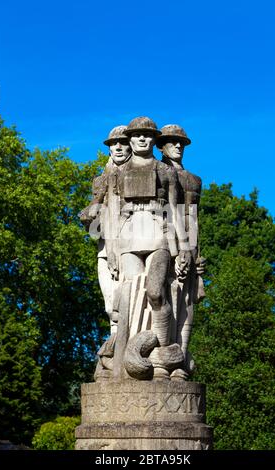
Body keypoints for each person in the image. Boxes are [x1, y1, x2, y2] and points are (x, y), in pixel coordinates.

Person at [113, 117, 191, 378]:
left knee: (156, 293)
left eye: (147, 136)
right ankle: (131, 362)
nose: (142, 139)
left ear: (154, 139)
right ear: (131, 139)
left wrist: (182, 249)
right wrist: (113, 251)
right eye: (137, 136)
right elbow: (113, 214)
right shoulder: (119, 173)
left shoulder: (165, 171)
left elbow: (175, 211)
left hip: (158, 232)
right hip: (129, 234)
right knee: (127, 298)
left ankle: (165, 352)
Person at [157, 124, 205, 379]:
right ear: (162, 146)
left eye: (181, 143)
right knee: (166, 295)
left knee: (187, 299)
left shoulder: (194, 179)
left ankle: (182, 359)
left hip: (190, 240)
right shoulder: (159, 172)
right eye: (172, 142)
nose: (177, 146)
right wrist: (176, 247)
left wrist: (195, 251)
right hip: (164, 238)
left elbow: (193, 217)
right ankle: (166, 358)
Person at [79, 125, 131, 334]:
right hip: (105, 248)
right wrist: (90, 213)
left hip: (130, 247)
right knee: (110, 306)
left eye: (122, 143)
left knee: (127, 304)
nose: (117, 147)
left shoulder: (137, 175)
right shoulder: (101, 179)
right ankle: (115, 346)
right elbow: (91, 213)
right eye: (113, 144)